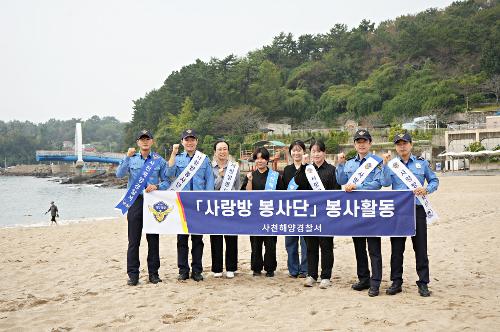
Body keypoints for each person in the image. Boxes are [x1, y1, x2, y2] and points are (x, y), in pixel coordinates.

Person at [381, 132, 439, 297]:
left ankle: (423, 283)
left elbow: (434, 180)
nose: (402, 146)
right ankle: (396, 282)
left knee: (420, 247)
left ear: (411, 145)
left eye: (405, 143)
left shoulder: (422, 164)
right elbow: (385, 183)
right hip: (398, 211)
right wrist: (385, 165)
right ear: (396, 147)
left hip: (417, 209)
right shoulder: (392, 165)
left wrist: (426, 189)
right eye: (398, 144)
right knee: (397, 249)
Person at [116, 129, 170, 286]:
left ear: (152, 142)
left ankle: (154, 273)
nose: (145, 141)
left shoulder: (159, 160)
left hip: (153, 201)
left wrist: (157, 186)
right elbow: (119, 174)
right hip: (135, 201)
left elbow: (167, 182)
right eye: (142, 139)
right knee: (133, 240)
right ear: (138, 142)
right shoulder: (131, 158)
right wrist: (126, 157)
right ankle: (133, 275)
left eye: (148, 139)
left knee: (153, 239)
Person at [336, 129, 384, 297]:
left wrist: (358, 187)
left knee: (373, 247)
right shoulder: (349, 163)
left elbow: (379, 183)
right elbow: (341, 181)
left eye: (364, 141)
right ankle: (363, 279)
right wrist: (340, 165)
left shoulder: (377, 161)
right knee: (359, 247)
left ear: (370, 143)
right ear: (354, 144)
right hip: (355, 210)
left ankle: (376, 282)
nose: (361, 144)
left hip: (371, 208)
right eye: (358, 141)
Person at [167, 129, 214, 282]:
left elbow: (209, 181)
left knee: (197, 240)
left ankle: (197, 270)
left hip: (199, 204)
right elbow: (169, 173)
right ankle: (183, 270)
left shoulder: (204, 159)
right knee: (182, 239)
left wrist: (208, 199)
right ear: (182, 142)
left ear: (196, 141)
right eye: (186, 140)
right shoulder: (178, 158)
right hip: (182, 204)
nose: (189, 142)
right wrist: (173, 153)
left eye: (192, 139)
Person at [302, 140, 341, 289]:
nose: (316, 154)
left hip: (326, 214)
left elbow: (336, 191)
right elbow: (299, 186)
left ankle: (326, 276)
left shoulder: (331, 170)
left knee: (326, 246)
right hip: (309, 214)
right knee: (310, 246)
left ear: (324, 153)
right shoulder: (307, 170)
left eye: (319, 151)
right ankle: (311, 275)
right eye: (313, 151)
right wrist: (304, 167)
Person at [241, 147, 284, 277]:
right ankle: (256, 268)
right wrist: (249, 180)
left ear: (267, 160)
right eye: (257, 158)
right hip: (254, 216)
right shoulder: (250, 175)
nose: (260, 161)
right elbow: (246, 195)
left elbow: (282, 195)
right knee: (255, 242)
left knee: (270, 242)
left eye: (263, 158)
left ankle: (270, 268)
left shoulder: (275, 176)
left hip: (271, 215)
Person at [211, 139, 241, 279]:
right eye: (219, 149)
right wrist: (220, 177)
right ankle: (217, 268)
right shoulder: (210, 167)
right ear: (215, 152)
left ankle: (231, 267)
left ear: (228, 151)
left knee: (231, 237)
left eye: (224, 149)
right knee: (216, 237)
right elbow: (211, 187)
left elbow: (237, 186)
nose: (222, 152)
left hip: (231, 205)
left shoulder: (235, 167)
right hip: (215, 206)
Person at [282, 140, 310, 279]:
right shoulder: (287, 170)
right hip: (290, 211)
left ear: (304, 152)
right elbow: (282, 191)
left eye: (299, 150)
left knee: (305, 242)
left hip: (306, 210)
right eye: (294, 150)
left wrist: (304, 166)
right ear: (290, 153)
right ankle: (293, 270)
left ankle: (304, 270)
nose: (296, 152)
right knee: (290, 242)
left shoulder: (310, 168)